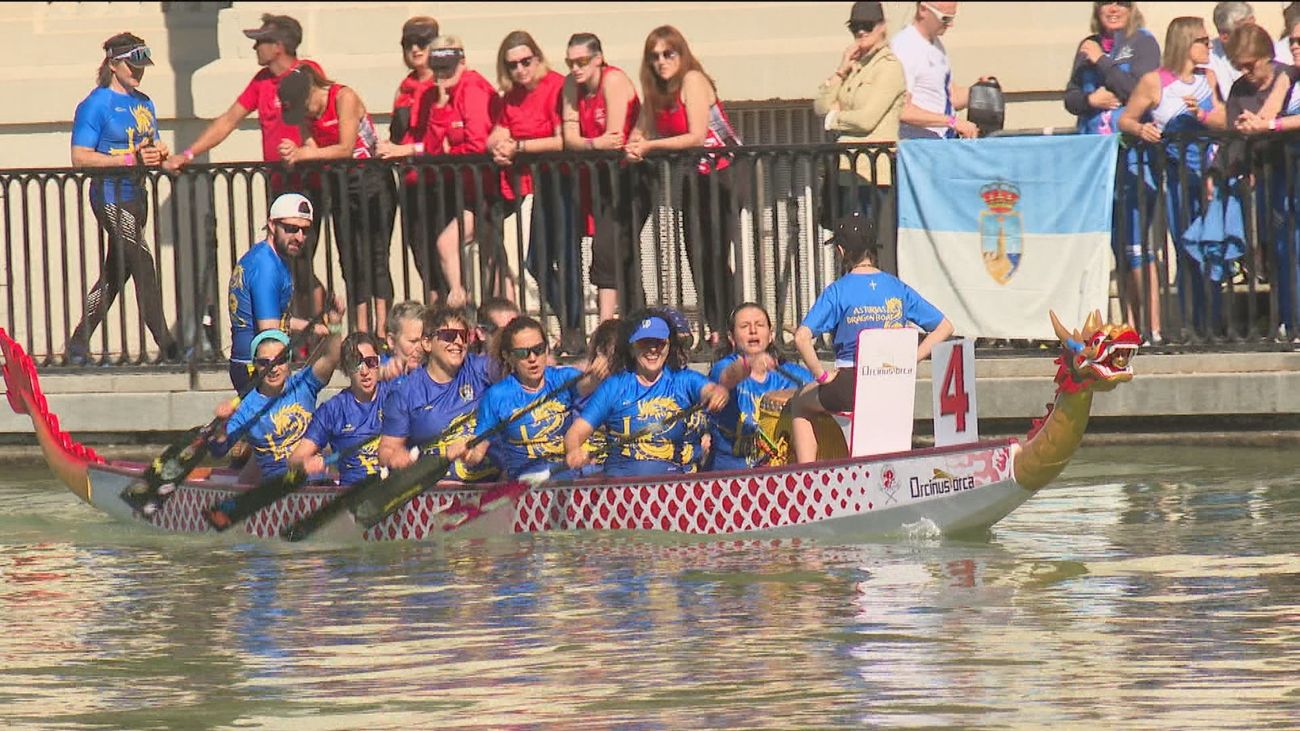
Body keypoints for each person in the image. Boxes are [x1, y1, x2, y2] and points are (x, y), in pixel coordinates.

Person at [162, 13, 328, 324]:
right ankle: (308, 329)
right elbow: (228, 120)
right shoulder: (261, 82)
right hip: (278, 185)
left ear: (279, 46)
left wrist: (307, 151)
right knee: (287, 262)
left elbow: (324, 114)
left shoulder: (308, 73)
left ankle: (319, 328)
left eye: (260, 42)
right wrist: (188, 153)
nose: (255, 49)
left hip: (309, 182)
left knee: (301, 261)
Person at [788, 213, 953, 464]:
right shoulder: (897, 287)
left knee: (799, 403)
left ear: (841, 251)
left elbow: (801, 338)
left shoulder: (838, 290)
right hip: (893, 385)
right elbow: (945, 327)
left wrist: (822, 376)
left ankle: (807, 477)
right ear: (872, 248)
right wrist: (909, 361)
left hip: (849, 386)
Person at [626, 25, 746, 348]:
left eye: (669, 54)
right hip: (692, 177)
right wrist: (634, 145)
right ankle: (715, 328)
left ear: (682, 53)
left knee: (716, 254)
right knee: (695, 253)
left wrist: (650, 147)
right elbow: (640, 131)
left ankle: (732, 325)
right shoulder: (655, 91)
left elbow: (695, 136)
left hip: (720, 174)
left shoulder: (693, 80)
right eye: (655, 57)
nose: (661, 62)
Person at [65, 32, 178, 366]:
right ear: (113, 64)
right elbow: (80, 157)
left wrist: (162, 156)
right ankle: (168, 346)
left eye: (142, 65)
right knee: (144, 263)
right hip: (109, 196)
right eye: (132, 65)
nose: (138, 72)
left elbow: (150, 146)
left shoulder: (145, 103)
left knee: (115, 274)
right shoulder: (95, 104)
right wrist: (129, 160)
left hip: (137, 197)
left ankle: (77, 343)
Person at [1120, 17, 1227, 335]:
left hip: (1207, 175)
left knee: (1211, 246)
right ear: (1186, 43)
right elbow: (1126, 119)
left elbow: (1222, 119)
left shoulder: (1208, 77)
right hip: (1174, 175)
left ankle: (1214, 323)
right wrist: (1142, 128)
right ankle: (1193, 323)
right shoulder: (1156, 81)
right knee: (1185, 246)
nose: (1209, 47)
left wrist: (1202, 115)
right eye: (1203, 42)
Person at [1064, 1, 1162, 344]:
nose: (1113, 8)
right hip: (1094, 161)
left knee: (1135, 246)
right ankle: (1124, 327)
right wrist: (1090, 102)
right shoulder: (1088, 44)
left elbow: (1138, 91)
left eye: (1121, 2)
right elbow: (1071, 98)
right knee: (1107, 245)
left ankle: (1151, 329)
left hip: (1131, 158)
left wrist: (1101, 62)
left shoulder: (1143, 42)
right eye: (1106, 3)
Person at [277, 64, 398, 336]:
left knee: (376, 257)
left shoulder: (344, 97)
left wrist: (304, 155)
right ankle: (362, 330)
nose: (302, 116)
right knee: (350, 260)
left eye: (302, 108)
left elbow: (345, 147)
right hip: (341, 186)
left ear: (311, 94)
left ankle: (382, 331)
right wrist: (293, 152)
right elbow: (311, 148)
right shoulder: (306, 115)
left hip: (372, 182)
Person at [487, 30, 585, 357]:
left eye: (525, 61)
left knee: (567, 259)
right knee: (537, 262)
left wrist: (520, 146)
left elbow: (564, 138)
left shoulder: (557, 85)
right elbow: (498, 132)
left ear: (538, 58)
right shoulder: (511, 96)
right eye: (512, 64)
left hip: (567, 179)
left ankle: (575, 331)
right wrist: (500, 147)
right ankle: (570, 327)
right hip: (543, 183)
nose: (520, 70)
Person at [563, 312, 733, 477]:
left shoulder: (684, 380)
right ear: (631, 348)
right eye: (645, 343)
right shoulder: (614, 386)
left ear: (668, 346)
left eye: (659, 343)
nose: (653, 350)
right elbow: (576, 432)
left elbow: (709, 389)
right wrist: (573, 450)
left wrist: (717, 393)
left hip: (671, 487)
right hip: (620, 486)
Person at [451, 315, 607, 481]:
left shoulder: (563, 378)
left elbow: (588, 384)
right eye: (522, 353)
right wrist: (465, 453)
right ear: (508, 356)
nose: (532, 358)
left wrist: (599, 371)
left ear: (546, 349)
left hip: (564, 485)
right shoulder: (497, 396)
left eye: (538, 350)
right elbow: (478, 453)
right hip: (522, 490)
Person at [560, 32, 648, 323]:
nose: (576, 68)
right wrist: (592, 144)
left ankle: (605, 324)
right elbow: (570, 138)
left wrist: (588, 143)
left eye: (582, 61)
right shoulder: (572, 84)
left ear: (598, 59)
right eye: (570, 61)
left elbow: (615, 138)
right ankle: (637, 322)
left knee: (607, 247)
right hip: (601, 180)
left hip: (632, 176)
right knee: (622, 254)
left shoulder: (613, 80)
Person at [416, 37, 505, 311]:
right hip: (467, 190)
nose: (442, 75)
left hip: (489, 188)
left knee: (452, 245)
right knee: (493, 258)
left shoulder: (473, 88)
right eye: (438, 68)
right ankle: (497, 313)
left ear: (463, 62)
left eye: (448, 68)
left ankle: (462, 299)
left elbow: (478, 146)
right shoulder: (443, 97)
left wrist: (450, 152)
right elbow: (431, 149)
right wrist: (440, 108)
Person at [1225, 24, 1300, 337]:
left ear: (1267, 56)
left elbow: (1272, 119)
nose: (1245, 72)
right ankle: (1289, 319)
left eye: (1250, 65)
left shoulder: (1289, 75)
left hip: (1292, 166)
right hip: (1272, 175)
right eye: (1239, 66)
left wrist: (1266, 124)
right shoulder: (1244, 89)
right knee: (1281, 248)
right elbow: (1239, 128)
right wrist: (1247, 132)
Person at [227, 193, 341, 391]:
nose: (299, 237)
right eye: (291, 229)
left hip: (255, 364)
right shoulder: (266, 267)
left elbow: (275, 318)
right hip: (258, 369)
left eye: (305, 231)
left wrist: (311, 327)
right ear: (272, 225)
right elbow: (269, 334)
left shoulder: (273, 258)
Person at [814, 1, 905, 242]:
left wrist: (835, 118)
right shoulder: (855, 67)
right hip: (846, 172)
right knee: (848, 247)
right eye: (855, 27)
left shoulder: (889, 67)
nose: (861, 32)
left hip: (873, 174)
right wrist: (841, 69)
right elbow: (820, 106)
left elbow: (866, 119)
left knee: (868, 246)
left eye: (867, 26)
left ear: (882, 27)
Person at [378, 304, 498, 482]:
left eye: (463, 336)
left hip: (490, 485)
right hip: (437, 490)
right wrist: (395, 457)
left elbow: (513, 370)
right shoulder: (405, 392)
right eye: (448, 336)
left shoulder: (480, 369)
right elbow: (386, 449)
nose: (457, 342)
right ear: (427, 343)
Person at [211, 327, 343, 482]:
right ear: (254, 364)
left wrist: (335, 323)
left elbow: (332, 357)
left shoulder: (303, 384)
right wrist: (221, 425)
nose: (273, 369)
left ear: (288, 361)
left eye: (280, 360)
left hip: (315, 482)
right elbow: (218, 451)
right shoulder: (246, 407)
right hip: (275, 491)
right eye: (264, 363)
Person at [382, 17, 446, 305]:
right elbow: (397, 135)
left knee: (443, 259)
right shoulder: (404, 87)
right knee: (421, 257)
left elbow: (441, 141)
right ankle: (436, 319)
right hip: (409, 184)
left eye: (423, 42)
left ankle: (452, 321)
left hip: (438, 184)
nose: (416, 49)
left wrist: (402, 150)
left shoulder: (442, 82)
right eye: (410, 43)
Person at [706, 303, 812, 472]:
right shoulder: (722, 367)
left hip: (779, 475)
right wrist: (748, 363)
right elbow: (727, 376)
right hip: (729, 475)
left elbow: (823, 389)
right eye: (744, 326)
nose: (753, 330)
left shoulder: (792, 373)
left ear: (770, 335)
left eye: (760, 325)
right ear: (732, 338)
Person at [289, 331, 388, 486]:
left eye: (371, 362)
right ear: (346, 369)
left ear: (379, 362)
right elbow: (295, 460)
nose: (365, 371)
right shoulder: (333, 410)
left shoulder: (395, 396)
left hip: (396, 492)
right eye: (356, 363)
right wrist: (307, 463)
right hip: (352, 496)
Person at [891, 1, 979, 139]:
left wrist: (980, 90)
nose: (950, 24)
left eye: (952, 18)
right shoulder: (905, 47)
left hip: (942, 141)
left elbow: (950, 97)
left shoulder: (935, 44)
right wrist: (952, 122)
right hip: (919, 140)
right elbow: (901, 109)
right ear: (923, 10)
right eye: (945, 18)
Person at [1208, 2, 1256, 101]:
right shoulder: (1208, 59)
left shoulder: (1270, 48)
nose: (1254, 33)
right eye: (1246, 30)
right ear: (1225, 37)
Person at [380, 299, 427, 385]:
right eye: (413, 341)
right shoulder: (381, 371)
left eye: (424, 340)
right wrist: (382, 374)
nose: (420, 348)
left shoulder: (427, 368)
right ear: (392, 341)